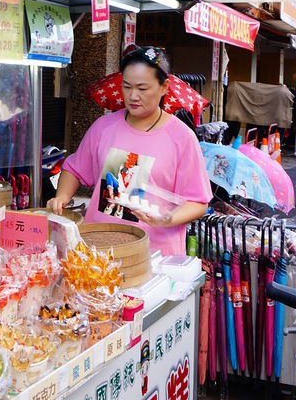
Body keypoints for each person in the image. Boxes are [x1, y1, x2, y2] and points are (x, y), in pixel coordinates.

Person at [47, 45, 211, 255]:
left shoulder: (182, 138)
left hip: (155, 256)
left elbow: (198, 202)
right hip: (100, 250)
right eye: (127, 86)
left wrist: (168, 218)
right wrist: (62, 196)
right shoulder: (103, 127)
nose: (133, 96)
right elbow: (74, 169)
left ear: (164, 87)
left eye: (142, 88)